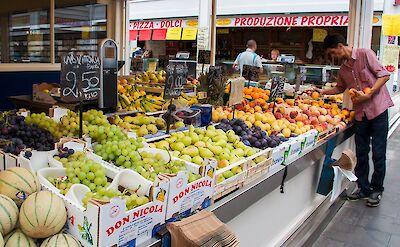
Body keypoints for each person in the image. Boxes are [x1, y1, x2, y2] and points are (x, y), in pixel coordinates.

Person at [320, 34, 393, 207]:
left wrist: (369, 93)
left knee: (378, 152)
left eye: (332, 52)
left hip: (377, 110)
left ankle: (377, 189)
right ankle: (363, 188)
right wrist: (320, 92)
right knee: (361, 153)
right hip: (360, 114)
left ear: (340, 46)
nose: (333, 57)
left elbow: (384, 75)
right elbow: (340, 88)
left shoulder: (365, 54)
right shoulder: (344, 70)